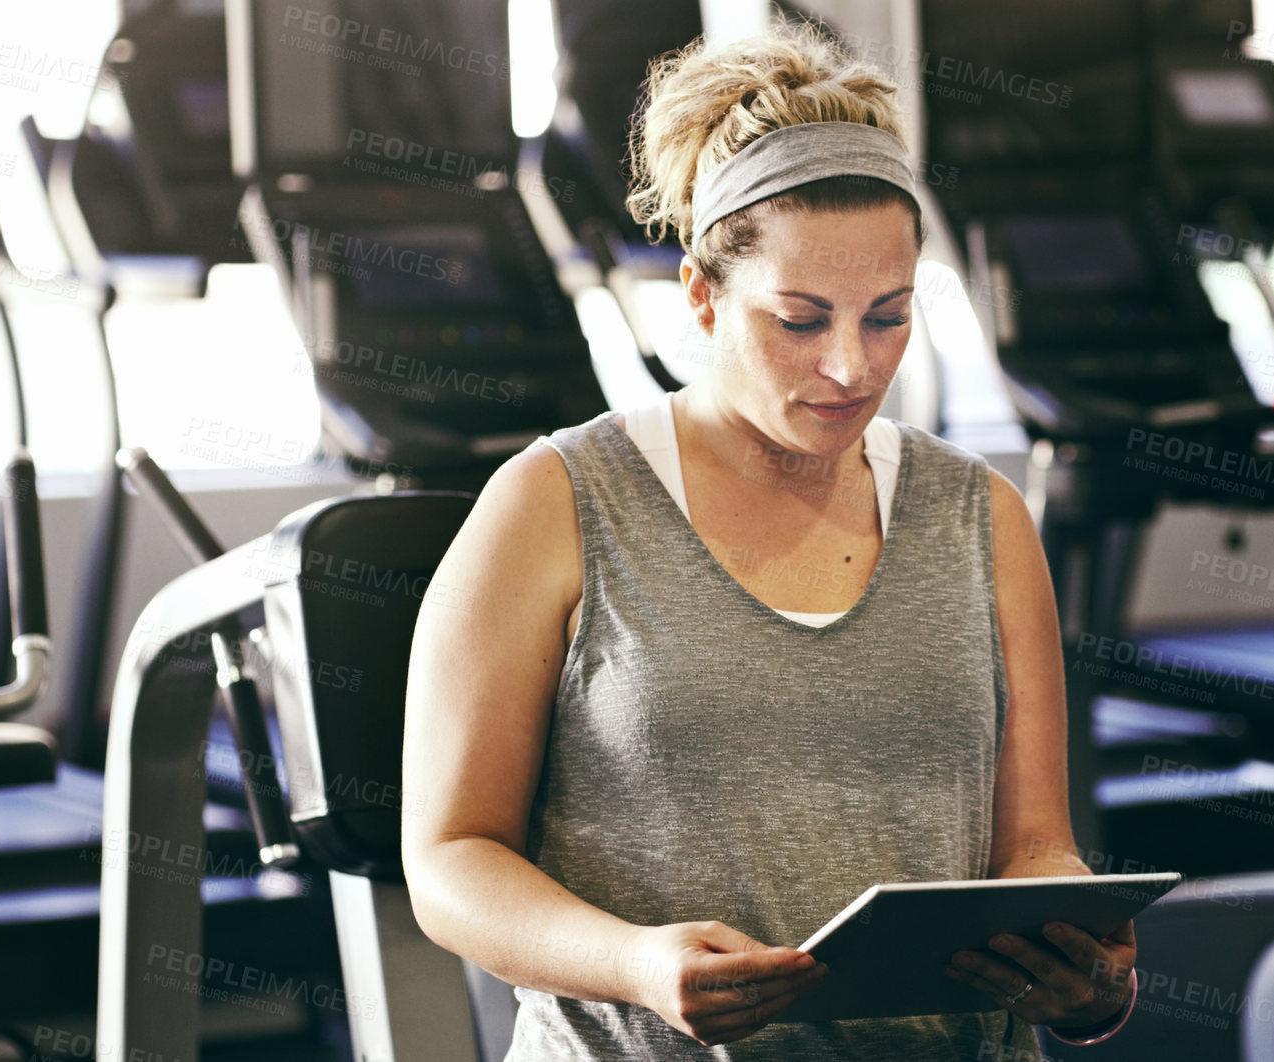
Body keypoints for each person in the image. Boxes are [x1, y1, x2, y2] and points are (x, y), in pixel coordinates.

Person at [401, 20, 1138, 1059]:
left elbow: (1034, 848)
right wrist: (636, 965)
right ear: (702, 296)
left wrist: (1082, 973)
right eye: (799, 320)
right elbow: (449, 860)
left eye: (888, 316)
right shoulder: (554, 503)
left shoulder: (982, 517)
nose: (850, 366)